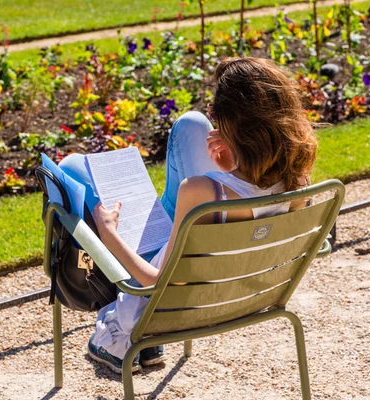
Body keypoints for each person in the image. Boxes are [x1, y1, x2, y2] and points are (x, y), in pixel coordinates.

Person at [59, 57, 318, 374]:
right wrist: (230, 171)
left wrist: (109, 232)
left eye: (217, 116)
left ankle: (120, 336)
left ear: (236, 126)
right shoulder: (298, 182)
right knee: (191, 124)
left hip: (167, 308)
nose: (214, 121)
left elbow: (161, 282)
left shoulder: (201, 191)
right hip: (236, 292)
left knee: (70, 166)